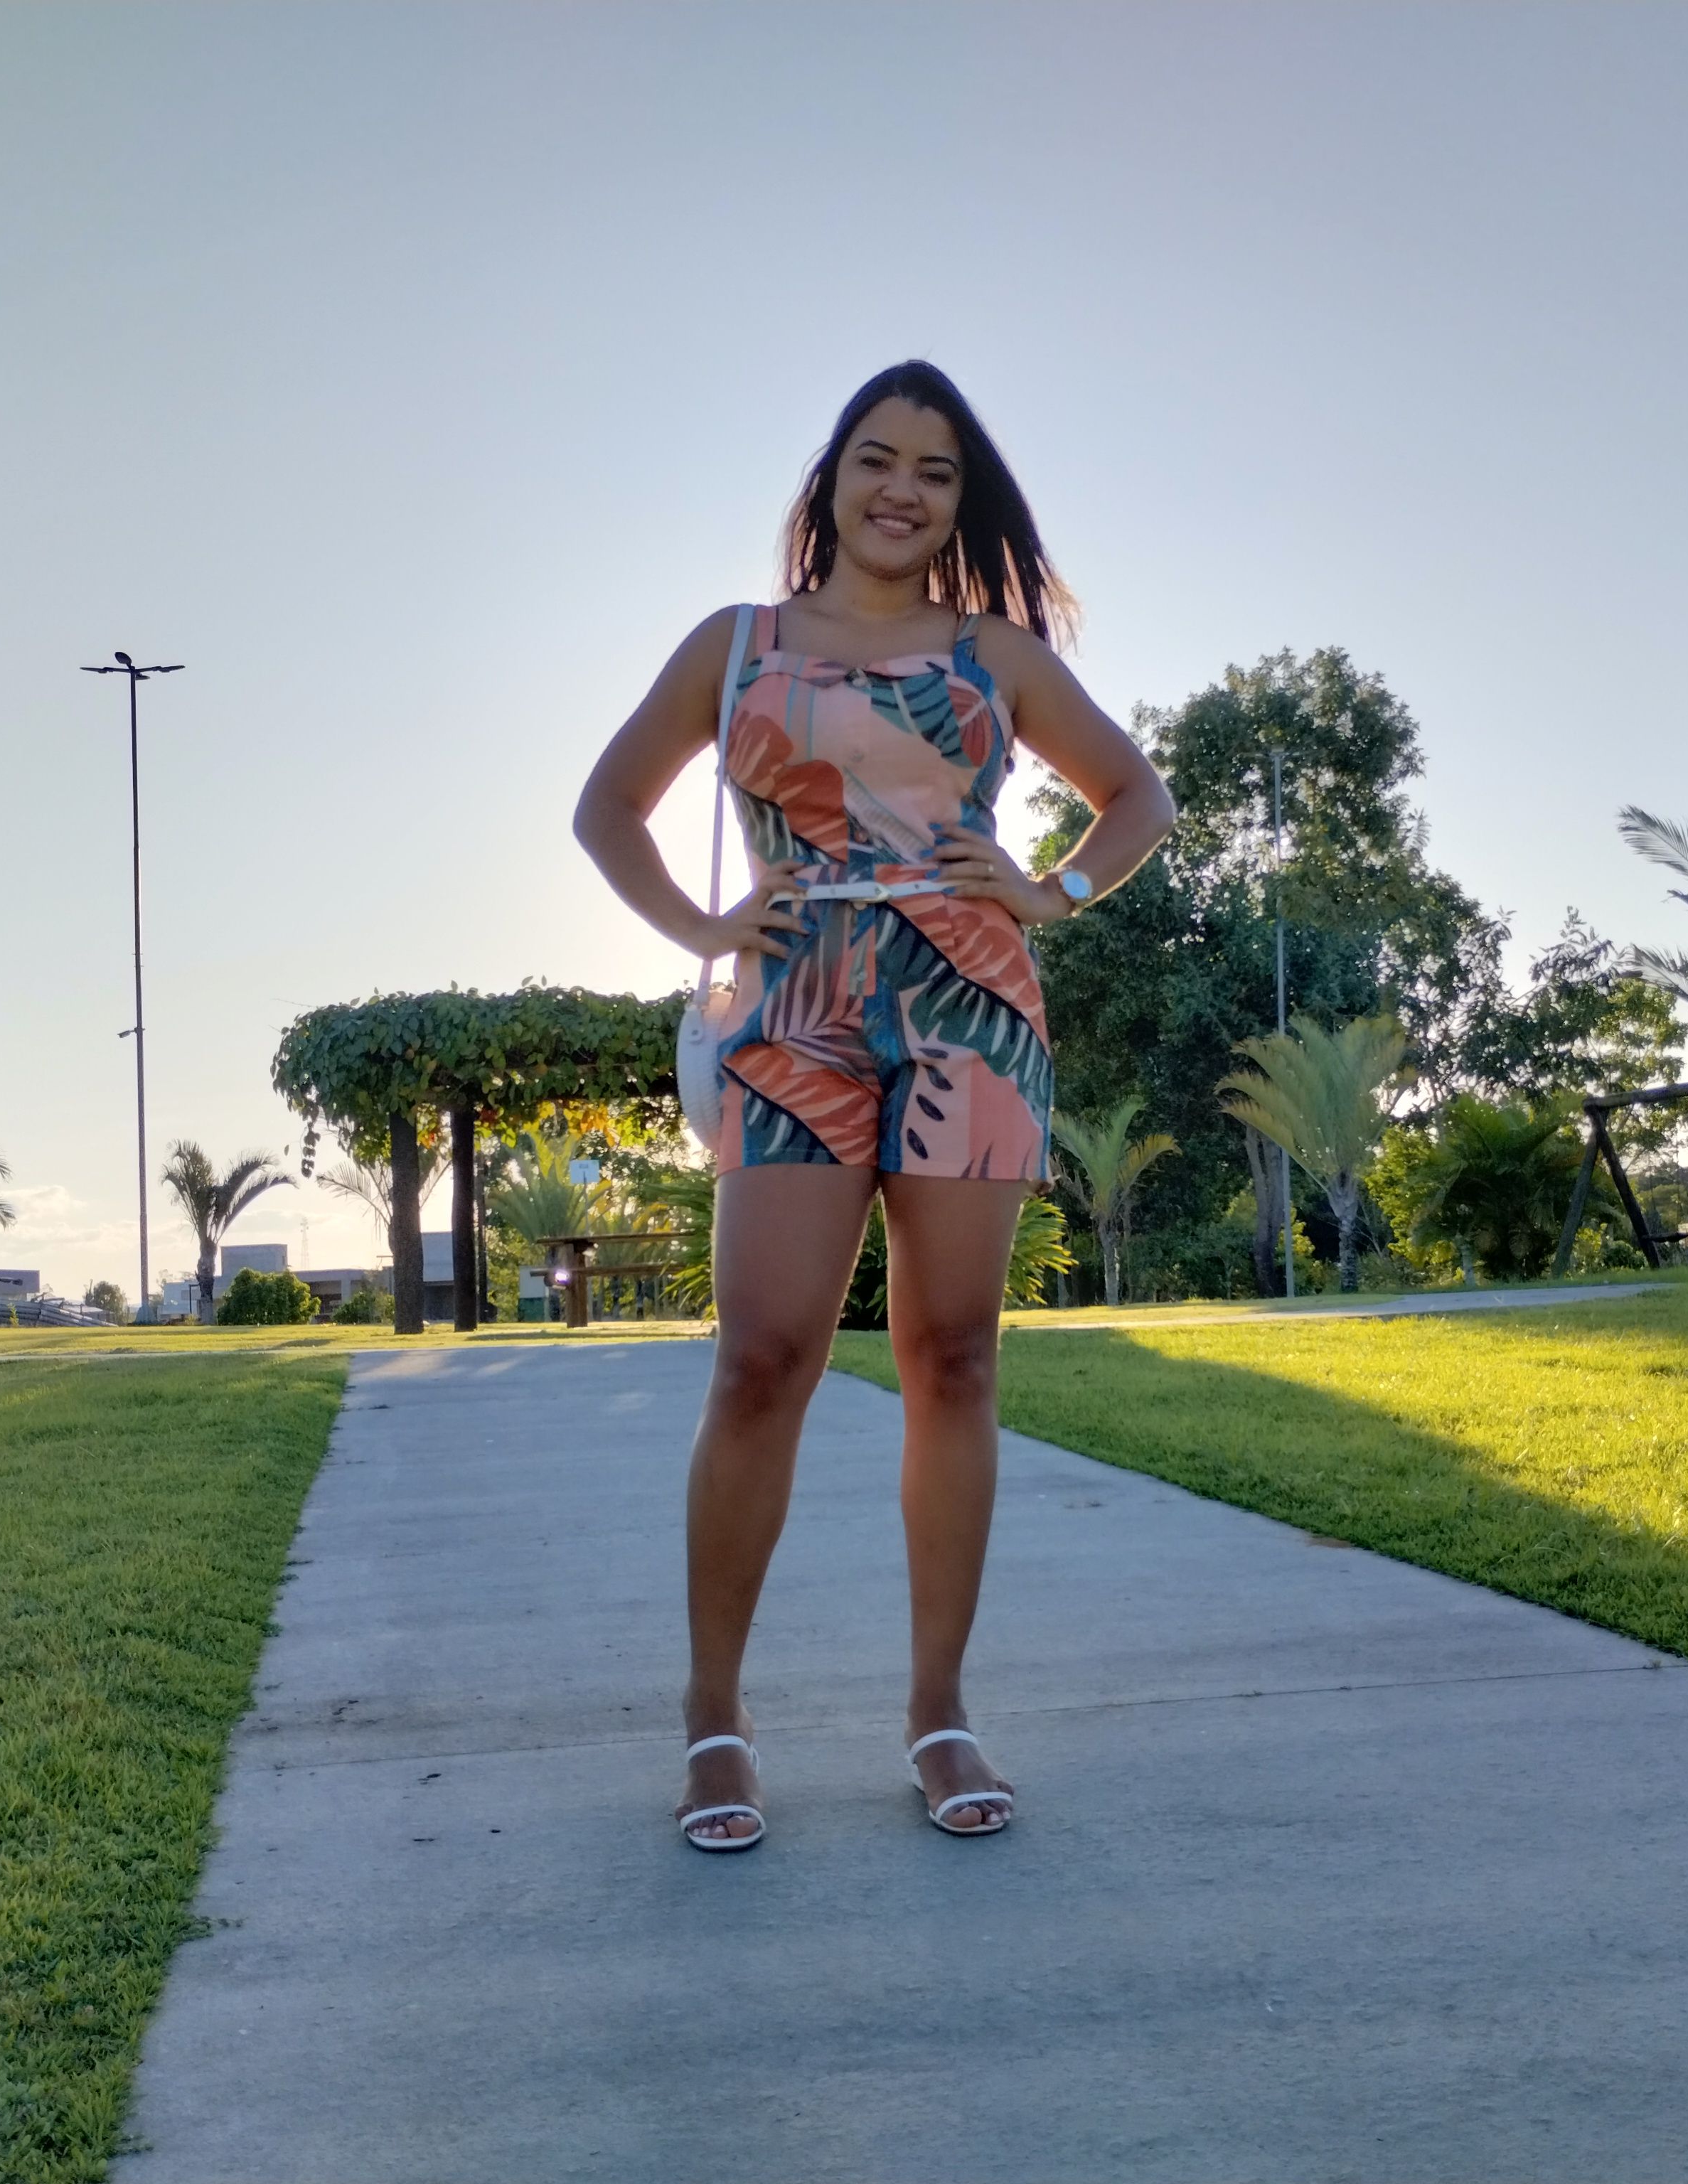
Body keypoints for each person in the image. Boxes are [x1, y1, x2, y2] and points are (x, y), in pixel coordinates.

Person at [574, 360, 1175, 1849]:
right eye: (878, 460)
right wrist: (706, 930)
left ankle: (939, 1712)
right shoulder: (739, 643)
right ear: (831, 479)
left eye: (936, 471)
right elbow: (608, 807)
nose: (903, 490)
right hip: (796, 1010)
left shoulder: (994, 653)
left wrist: (1051, 891)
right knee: (761, 1359)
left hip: (970, 1008)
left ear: (962, 504)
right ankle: (716, 1721)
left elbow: (1138, 797)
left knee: (953, 1359)